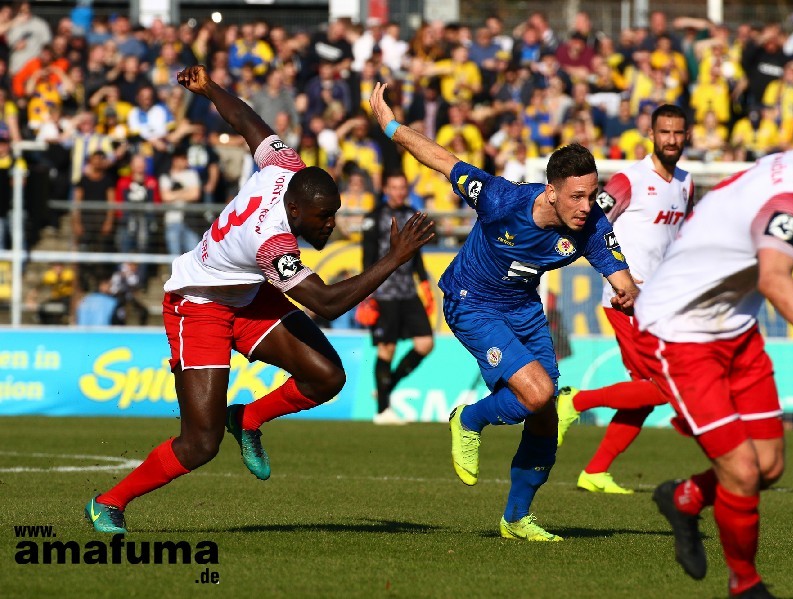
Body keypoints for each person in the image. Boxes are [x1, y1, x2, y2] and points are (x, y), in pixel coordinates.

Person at [84, 65, 434, 534]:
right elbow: (326, 303)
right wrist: (395, 258)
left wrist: (211, 88)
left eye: (333, 214)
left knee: (326, 376)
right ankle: (109, 500)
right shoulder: (271, 242)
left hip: (244, 295)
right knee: (200, 444)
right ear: (294, 211)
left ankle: (247, 418)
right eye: (322, 217)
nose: (329, 224)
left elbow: (247, 123)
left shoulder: (285, 164)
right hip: (198, 304)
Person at [632, 84, 793, 598]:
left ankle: (683, 497)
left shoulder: (791, 167)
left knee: (769, 467)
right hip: (679, 332)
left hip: (734, 328)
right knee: (744, 472)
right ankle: (745, 585)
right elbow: (774, 278)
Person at [369, 82, 639, 541]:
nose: (585, 206)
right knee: (535, 392)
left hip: (523, 308)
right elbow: (440, 159)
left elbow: (623, 280)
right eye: (575, 196)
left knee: (545, 413)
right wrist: (390, 124)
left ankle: (516, 519)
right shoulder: (501, 199)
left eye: (591, 195)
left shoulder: (591, 225)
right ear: (551, 192)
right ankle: (467, 418)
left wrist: (626, 293)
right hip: (471, 301)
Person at [555, 104, 694, 494]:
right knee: (665, 386)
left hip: (661, 304)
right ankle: (575, 402)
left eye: (677, 133)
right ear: (652, 134)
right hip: (627, 299)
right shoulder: (629, 180)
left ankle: (596, 470)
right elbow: (592, 226)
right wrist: (619, 280)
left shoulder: (686, 183)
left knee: (646, 394)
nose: (671, 139)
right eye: (664, 132)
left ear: (686, 136)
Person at [361, 171, 435, 424]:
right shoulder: (375, 217)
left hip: (408, 292)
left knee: (425, 343)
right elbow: (367, 258)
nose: (399, 191)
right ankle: (383, 411)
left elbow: (418, 255)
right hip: (384, 293)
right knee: (387, 349)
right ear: (385, 189)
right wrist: (367, 294)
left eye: (403, 187)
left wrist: (424, 283)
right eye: (394, 187)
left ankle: (385, 389)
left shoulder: (412, 215)